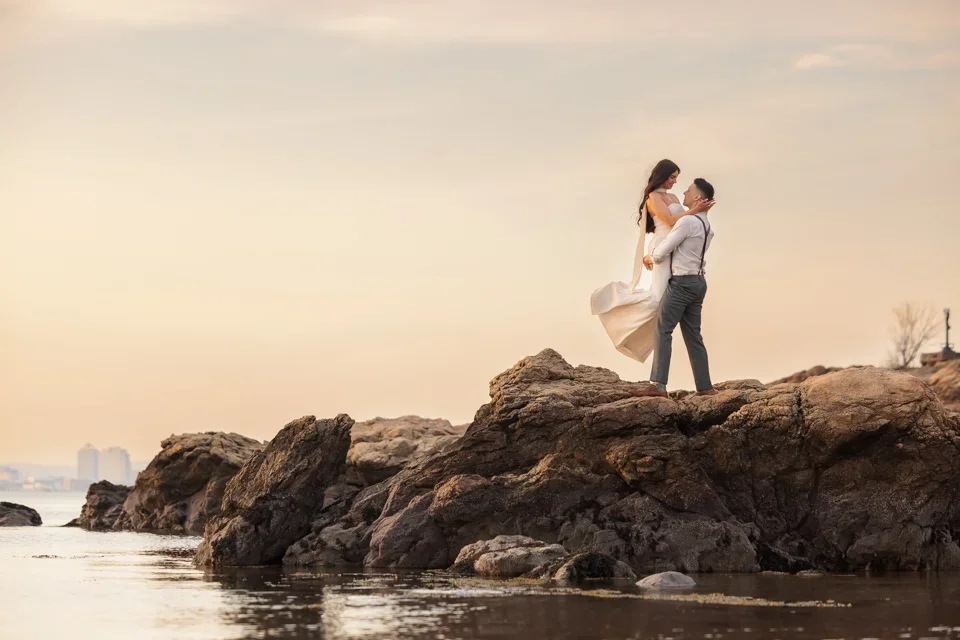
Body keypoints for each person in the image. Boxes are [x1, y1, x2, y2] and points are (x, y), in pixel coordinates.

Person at [590, 159, 713, 362]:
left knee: (669, 300)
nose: (674, 182)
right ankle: (615, 307)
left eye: (676, 178)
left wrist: (698, 212)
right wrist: (694, 211)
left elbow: (684, 225)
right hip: (662, 247)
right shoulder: (653, 197)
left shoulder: (673, 196)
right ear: (662, 175)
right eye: (672, 177)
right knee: (657, 299)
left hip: (676, 248)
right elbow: (670, 221)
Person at [633, 178, 718, 397]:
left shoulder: (687, 222)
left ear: (698, 197)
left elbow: (663, 251)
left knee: (663, 329)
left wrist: (649, 258)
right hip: (699, 282)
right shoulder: (707, 226)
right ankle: (705, 386)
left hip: (682, 284)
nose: (684, 194)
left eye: (689, 191)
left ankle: (658, 385)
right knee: (693, 336)